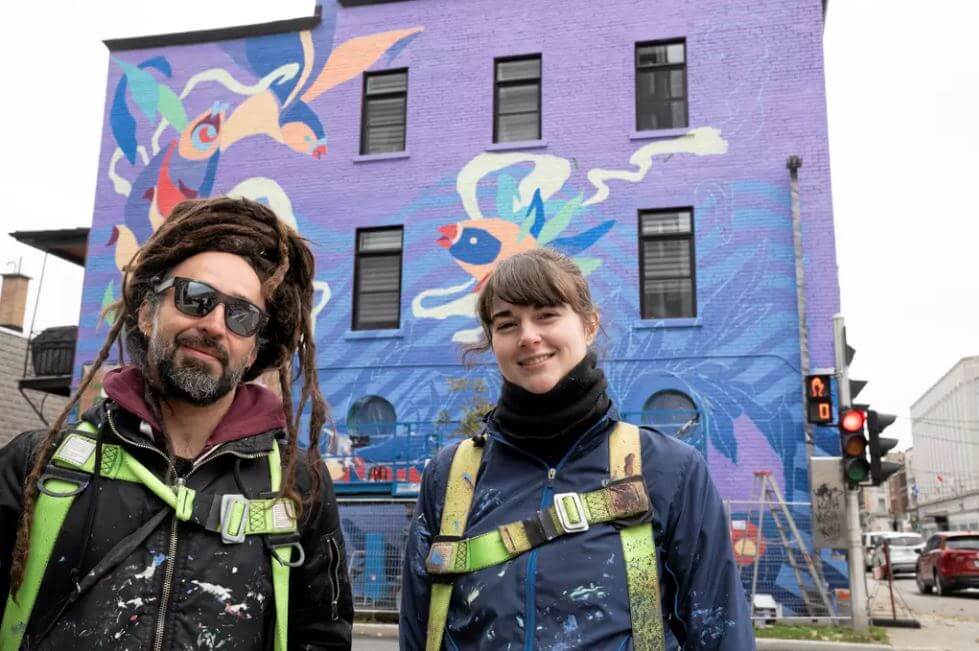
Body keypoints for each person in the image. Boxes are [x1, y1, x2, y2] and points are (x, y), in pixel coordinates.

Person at [0, 197, 353, 650]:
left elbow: (322, 638)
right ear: (147, 313)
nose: (215, 324)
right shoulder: (36, 464)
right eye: (195, 298)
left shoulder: (296, 485)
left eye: (241, 315)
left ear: (253, 351)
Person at [400, 248, 754, 650]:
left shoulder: (669, 469)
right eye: (507, 323)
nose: (528, 336)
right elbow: (417, 632)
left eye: (546, 315)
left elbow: (722, 635)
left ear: (589, 325)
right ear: (492, 341)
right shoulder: (451, 476)